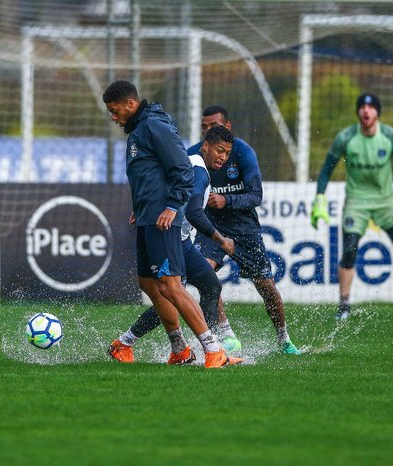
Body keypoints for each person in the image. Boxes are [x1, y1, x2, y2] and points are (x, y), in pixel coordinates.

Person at [102, 80, 241, 368]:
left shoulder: (154, 126)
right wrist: (140, 208)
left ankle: (214, 350)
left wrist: (171, 206)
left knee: (171, 286)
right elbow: (151, 175)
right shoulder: (141, 129)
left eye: (115, 111)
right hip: (147, 216)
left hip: (163, 220)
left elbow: (181, 169)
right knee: (149, 283)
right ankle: (179, 349)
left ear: (130, 103)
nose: (113, 117)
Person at [189, 105, 302, 355]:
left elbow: (256, 195)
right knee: (205, 275)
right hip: (210, 226)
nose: (208, 131)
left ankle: (283, 338)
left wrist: (226, 200)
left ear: (227, 128)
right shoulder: (194, 156)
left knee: (266, 286)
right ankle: (225, 333)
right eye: (204, 127)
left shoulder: (243, 152)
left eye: (214, 126)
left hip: (244, 228)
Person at [311, 93, 393, 320]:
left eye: (371, 108)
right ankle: (343, 306)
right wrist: (319, 199)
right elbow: (325, 170)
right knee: (350, 250)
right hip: (356, 202)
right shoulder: (346, 138)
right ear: (358, 112)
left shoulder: (391, 136)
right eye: (362, 107)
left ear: (377, 113)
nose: (366, 111)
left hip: (385, 202)